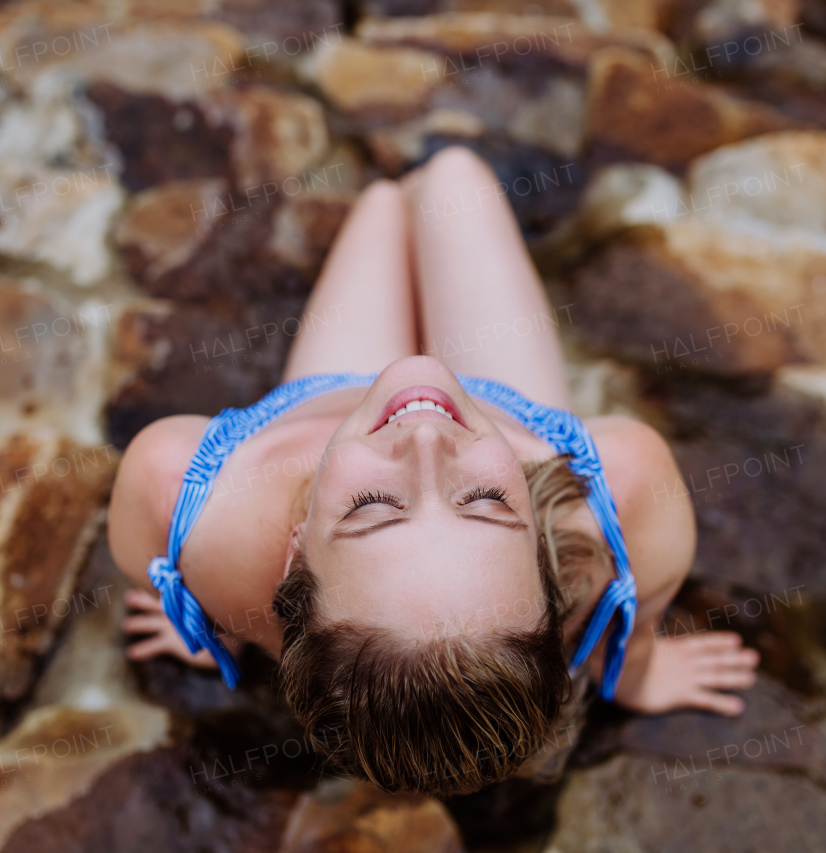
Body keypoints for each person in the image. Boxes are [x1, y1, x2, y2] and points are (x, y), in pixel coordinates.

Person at [107, 145, 759, 797]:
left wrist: (203, 611)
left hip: (322, 399)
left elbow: (182, 572)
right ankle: (424, 189)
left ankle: (401, 194)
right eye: (483, 499)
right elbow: (638, 607)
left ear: (294, 554)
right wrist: (637, 670)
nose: (424, 439)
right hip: (496, 398)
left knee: (384, 205)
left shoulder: (183, 503)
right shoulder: (619, 487)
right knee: (451, 176)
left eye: (370, 506)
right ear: (542, 542)